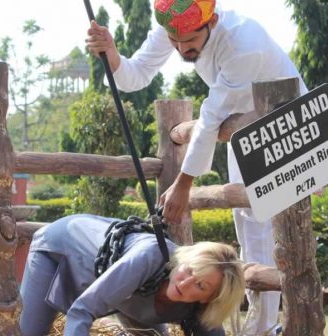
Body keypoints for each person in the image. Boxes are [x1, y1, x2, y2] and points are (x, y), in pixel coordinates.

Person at [86, 0, 308, 333]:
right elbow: (137, 74)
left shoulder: (242, 42)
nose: (180, 49)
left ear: (212, 20)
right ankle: (256, 328)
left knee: (276, 238)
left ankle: (266, 329)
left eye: (189, 42)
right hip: (245, 132)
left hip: (288, 129)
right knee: (249, 233)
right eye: (174, 41)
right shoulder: (174, 25)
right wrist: (111, 53)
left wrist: (184, 183)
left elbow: (211, 115)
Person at [19, 214, 245, 336]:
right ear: (186, 259)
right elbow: (82, 311)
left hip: (128, 297)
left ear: (208, 300)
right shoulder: (148, 257)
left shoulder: (202, 309)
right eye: (190, 270)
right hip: (59, 248)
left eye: (201, 286)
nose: (184, 283)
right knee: (30, 334)